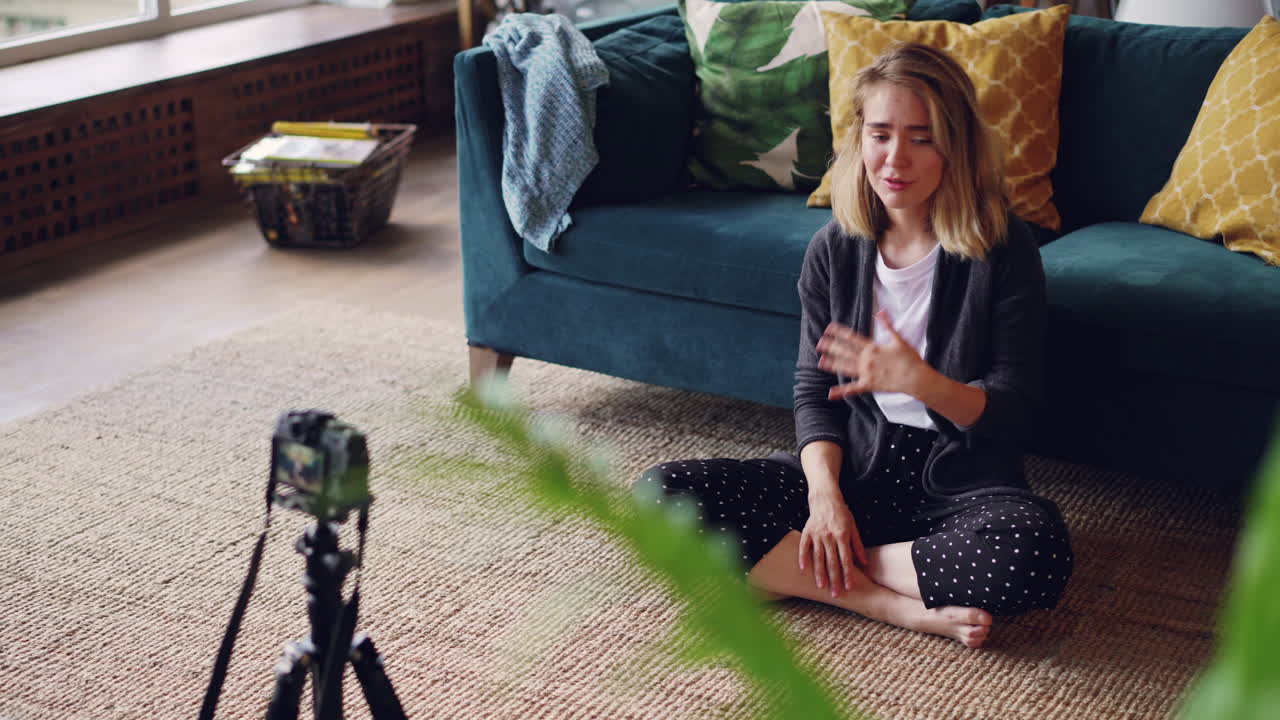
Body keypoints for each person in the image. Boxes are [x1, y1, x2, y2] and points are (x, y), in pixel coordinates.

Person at [638, 42, 1072, 648]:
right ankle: (887, 604)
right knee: (657, 497)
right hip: (854, 471)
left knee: (1036, 552)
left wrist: (922, 382)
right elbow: (814, 393)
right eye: (881, 134)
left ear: (957, 145)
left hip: (956, 486)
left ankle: (804, 569)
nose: (896, 158)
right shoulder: (834, 251)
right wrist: (824, 501)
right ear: (859, 138)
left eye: (922, 138)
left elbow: (1016, 410)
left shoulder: (1002, 250)